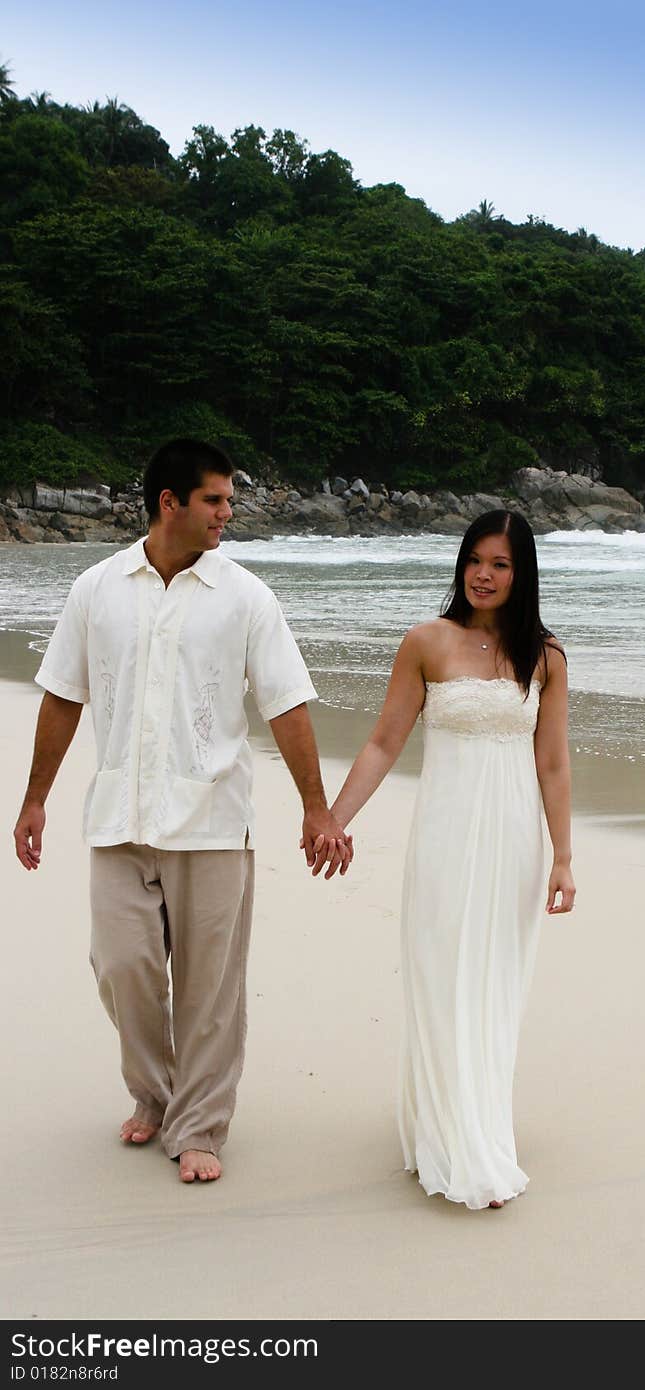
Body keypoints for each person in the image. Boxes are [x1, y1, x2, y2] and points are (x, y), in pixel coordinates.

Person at [12, 438, 350, 1184]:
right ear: (171, 503)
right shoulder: (96, 589)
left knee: (210, 989)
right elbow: (64, 696)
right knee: (120, 966)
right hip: (119, 817)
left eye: (229, 499)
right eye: (216, 500)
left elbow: (285, 703)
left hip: (212, 821)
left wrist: (315, 810)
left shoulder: (247, 597)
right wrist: (34, 798)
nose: (228, 512)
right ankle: (156, 1094)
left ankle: (199, 1126)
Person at [330, 510, 575, 1209]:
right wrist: (334, 821)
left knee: (494, 985)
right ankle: (444, 1131)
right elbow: (382, 744)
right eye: (475, 559)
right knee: (441, 977)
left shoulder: (547, 657)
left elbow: (553, 764)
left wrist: (563, 858)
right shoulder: (426, 642)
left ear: (521, 574)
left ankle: (478, 1130)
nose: (484, 574)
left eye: (500, 563)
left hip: (513, 843)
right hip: (444, 833)